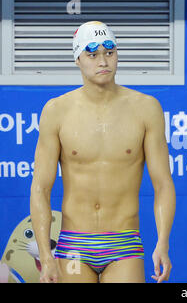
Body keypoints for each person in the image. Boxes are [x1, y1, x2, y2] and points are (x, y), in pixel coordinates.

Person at [30, 21, 176, 283]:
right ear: (77, 59)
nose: (103, 61)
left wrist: (162, 243)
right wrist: (46, 255)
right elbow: (40, 188)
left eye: (109, 53)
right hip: (73, 245)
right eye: (92, 54)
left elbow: (163, 184)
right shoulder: (56, 112)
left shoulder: (146, 109)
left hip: (124, 244)